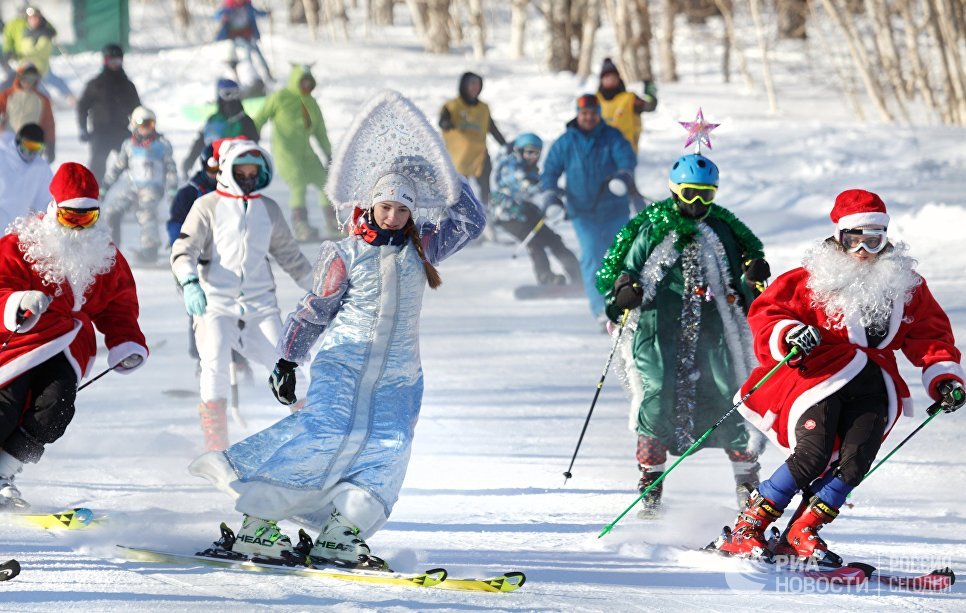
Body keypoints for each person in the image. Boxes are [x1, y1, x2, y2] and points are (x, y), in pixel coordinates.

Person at [188, 90, 485, 565]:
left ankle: (341, 533)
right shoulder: (345, 252)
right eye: (386, 206)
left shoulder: (423, 248)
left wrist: (441, 171)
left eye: (402, 209)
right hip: (343, 364)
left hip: (400, 377)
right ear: (371, 204)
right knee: (319, 436)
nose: (393, 216)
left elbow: (472, 219)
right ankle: (257, 526)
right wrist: (287, 358)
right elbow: (313, 310)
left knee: (389, 449)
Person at [712, 189, 964, 566]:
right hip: (819, 377)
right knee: (812, 455)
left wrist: (943, 377)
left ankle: (803, 530)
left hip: (874, 383)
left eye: (873, 241)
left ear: (885, 240)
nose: (863, 251)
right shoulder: (811, 278)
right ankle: (750, 525)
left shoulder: (904, 285)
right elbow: (768, 314)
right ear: (838, 237)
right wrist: (789, 333)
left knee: (857, 460)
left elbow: (930, 334)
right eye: (853, 239)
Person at [599, 152, 770, 517]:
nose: (697, 204)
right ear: (675, 191)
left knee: (731, 391)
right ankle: (651, 481)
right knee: (657, 391)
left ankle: (747, 481)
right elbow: (625, 272)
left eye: (705, 196)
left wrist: (751, 275)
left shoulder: (721, 229)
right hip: (659, 325)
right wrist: (626, 290)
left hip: (712, 326)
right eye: (690, 193)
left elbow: (740, 279)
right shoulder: (653, 228)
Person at [0, 162, 148, 508]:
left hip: (68, 346)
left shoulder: (104, 253)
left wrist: (125, 340)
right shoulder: (20, 245)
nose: (80, 226)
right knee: (5, 407)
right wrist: (17, 302)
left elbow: (118, 304)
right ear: (54, 210)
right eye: (71, 217)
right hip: (18, 341)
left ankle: (4, 472)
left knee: (56, 409)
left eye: (88, 217)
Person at [171, 138, 314, 452]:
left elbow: (291, 257)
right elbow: (183, 250)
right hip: (215, 304)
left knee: (287, 364)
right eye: (242, 170)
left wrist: (321, 289)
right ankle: (216, 444)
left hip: (261, 306)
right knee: (215, 364)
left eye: (254, 171)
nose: (249, 177)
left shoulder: (269, 209)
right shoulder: (206, 206)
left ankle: (311, 434)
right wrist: (190, 283)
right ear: (228, 170)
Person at [540, 93, 636, 323]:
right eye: (584, 113)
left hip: (614, 209)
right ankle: (600, 309)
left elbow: (627, 159)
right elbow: (550, 172)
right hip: (582, 213)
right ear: (577, 114)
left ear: (599, 114)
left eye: (593, 113)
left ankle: (627, 304)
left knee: (621, 255)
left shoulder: (612, 137)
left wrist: (623, 176)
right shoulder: (566, 142)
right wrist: (551, 195)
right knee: (592, 255)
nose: (588, 117)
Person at [253, 64, 333, 242]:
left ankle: (332, 222)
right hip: (285, 151)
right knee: (298, 183)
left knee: (324, 181)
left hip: (306, 151)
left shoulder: (311, 102)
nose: (305, 86)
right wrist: (251, 137)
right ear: (295, 81)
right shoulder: (280, 97)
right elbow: (260, 117)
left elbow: (320, 132)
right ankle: (300, 225)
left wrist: (328, 153)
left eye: (308, 83)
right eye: (302, 82)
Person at [491, 132, 580, 286]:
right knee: (534, 242)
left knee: (553, 239)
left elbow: (537, 187)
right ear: (519, 151)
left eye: (536, 153)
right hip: (508, 215)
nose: (533, 157)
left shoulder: (530, 168)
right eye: (529, 152)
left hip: (526, 212)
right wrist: (552, 191)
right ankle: (545, 277)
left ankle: (578, 273)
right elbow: (526, 186)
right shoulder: (510, 165)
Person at [101, 106, 177, 264]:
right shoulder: (129, 145)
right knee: (112, 210)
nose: (147, 129)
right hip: (133, 188)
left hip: (152, 188)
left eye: (150, 124)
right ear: (134, 125)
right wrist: (104, 187)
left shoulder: (161, 145)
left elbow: (171, 169)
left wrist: (172, 189)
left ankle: (151, 250)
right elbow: (117, 168)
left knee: (146, 212)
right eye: (143, 124)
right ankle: (112, 247)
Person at [439, 71, 507, 206]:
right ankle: (457, 213)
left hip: (479, 156)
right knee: (459, 190)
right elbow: (442, 121)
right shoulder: (452, 106)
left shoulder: (483, 108)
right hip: (458, 157)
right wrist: (446, 123)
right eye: (471, 83)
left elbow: (491, 127)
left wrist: (504, 144)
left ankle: (485, 211)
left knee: (485, 187)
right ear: (463, 85)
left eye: (478, 84)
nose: (475, 87)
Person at [76, 43, 141, 184]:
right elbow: (82, 107)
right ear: (105, 61)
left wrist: (141, 129)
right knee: (97, 165)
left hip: (121, 130)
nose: (115, 64)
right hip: (101, 131)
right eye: (112, 61)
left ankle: (138, 190)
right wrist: (82, 128)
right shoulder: (96, 84)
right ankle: (92, 195)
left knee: (134, 161)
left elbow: (137, 110)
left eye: (118, 61)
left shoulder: (127, 85)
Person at [182, 78, 259, 179]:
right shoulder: (213, 121)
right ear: (219, 95)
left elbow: (253, 146)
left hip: (237, 176)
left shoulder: (245, 121)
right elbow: (200, 142)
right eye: (227, 94)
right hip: (212, 173)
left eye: (236, 93)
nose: (232, 98)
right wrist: (190, 160)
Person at [0, 6, 74, 103]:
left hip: (40, 66)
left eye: (36, 18)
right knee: (17, 81)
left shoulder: (45, 33)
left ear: (40, 18)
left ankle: (65, 97)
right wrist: (13, 54)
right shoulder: (26, 32)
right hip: (26, 66)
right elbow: (21, 47)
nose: (33, 20)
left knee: (43, 81)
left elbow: (41, 51)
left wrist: (21, 56)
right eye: (31, 18)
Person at [596, 58, 656, 154]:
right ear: (602, 80)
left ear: (618, 79)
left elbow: (649, 106)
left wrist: (650, 94)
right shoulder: (594, 100)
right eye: (607, 77)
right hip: (600, 154)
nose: (611, 80)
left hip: (626, 153)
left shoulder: (630, 99)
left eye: (614, 77)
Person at [0, 123, 52, 232]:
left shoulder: (41, 169)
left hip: (16, 233)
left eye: (36, 148)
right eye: (26, 147)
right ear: (18, 141)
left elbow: (46, 203)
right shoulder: (2, 157)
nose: (30, 153)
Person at [0, 63, 54, 162]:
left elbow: (48, 124)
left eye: (33, 79)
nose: (29, 82)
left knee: (29, 173)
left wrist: (51, 145)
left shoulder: (42, 99)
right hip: (9, 143)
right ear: (20, 78)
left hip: (31, 145)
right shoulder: (7, 95)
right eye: (26, 79)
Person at [215, 0, 273, 86]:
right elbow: (217, 16)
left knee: (259, 55)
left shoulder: (247, 6)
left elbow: (257, 13)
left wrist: (266, 13)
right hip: (235, 37)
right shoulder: (228, 8)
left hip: (248, 36)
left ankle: (268, 75)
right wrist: (222, 16)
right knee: (247, 51)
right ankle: (251, 76)